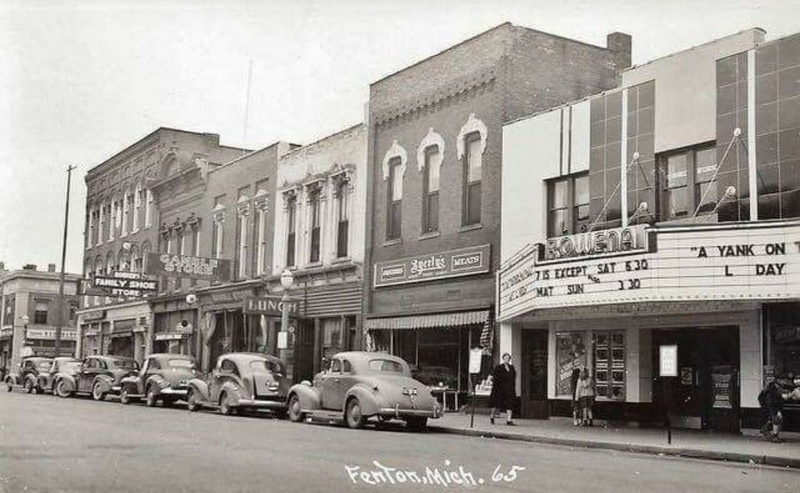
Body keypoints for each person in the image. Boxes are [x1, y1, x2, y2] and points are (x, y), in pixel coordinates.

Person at [489, 353, 517, 426]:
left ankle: (509, 420)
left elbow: (513, 377)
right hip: (500, 389)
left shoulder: (511, 367)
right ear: (503, 359)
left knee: (509, 404)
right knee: (496, 404)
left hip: (509, 389)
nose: (507, 360)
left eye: (508, 358)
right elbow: (495, 378)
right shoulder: (499, 367)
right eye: (506, 358)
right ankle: (492, 416)